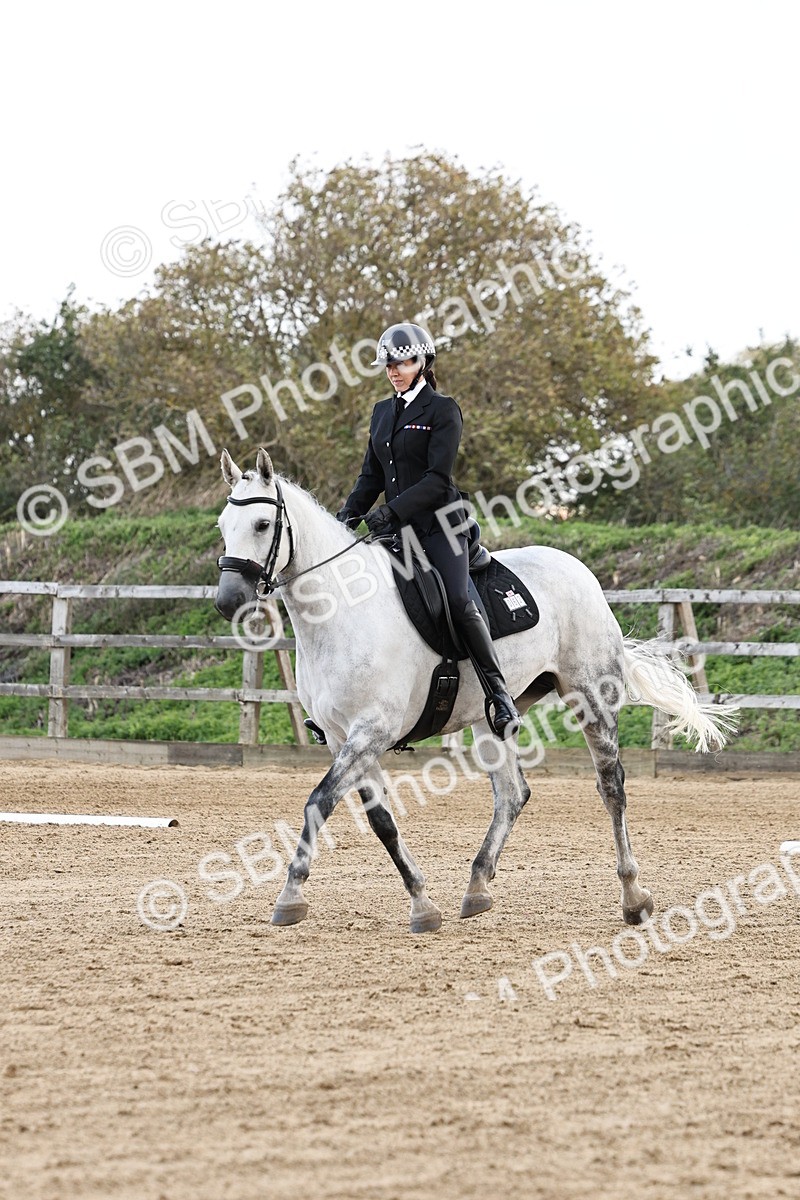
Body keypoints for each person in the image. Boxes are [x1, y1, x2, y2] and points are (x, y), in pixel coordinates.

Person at [336, 322, 520, 738]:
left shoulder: (443, 409)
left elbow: (437, 479)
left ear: (422, 363)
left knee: (457, 600)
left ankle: (499, 694)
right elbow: (370, 477)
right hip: (397, 533)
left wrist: (391, 511)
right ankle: (345, 700)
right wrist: (346, 517)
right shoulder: (382, 412)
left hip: (440, 528)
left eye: (402, 364)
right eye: (389, 366)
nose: (394, 372)